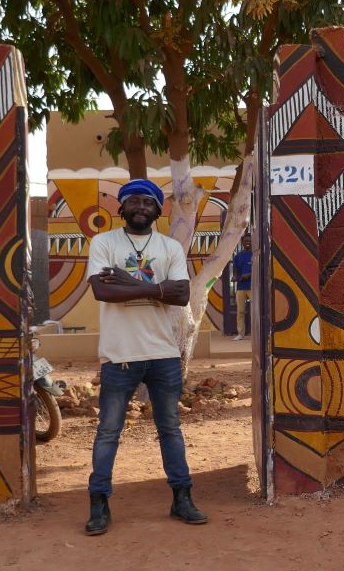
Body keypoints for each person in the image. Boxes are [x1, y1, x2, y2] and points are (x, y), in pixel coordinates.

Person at [82, 178, 208, 535]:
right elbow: (102, 291)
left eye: (148, 202)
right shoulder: (104, 242)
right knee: (108, 431)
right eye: (133, 202)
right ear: (121, 208)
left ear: (158, 209)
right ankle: (99, 504)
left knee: (171, 429)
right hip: (119, 354)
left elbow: (182, 295)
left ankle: (182, 499)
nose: (140, 207)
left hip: (163, 354)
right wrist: (157, 290)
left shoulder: (169, 247)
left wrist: (128, 281)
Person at [231, 233, 252, 340]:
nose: (247, 243)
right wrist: (235, 277)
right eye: (245, 241)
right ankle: (240, 333)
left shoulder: (255, 255)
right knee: (240, 311)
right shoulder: (238, 256)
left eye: (249, 241)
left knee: (255, 311)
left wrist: (249, 275)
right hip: (241, 288)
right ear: (242, 243)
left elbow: (260, 270)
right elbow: (235, 271)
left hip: (253, 287)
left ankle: (256, 333)